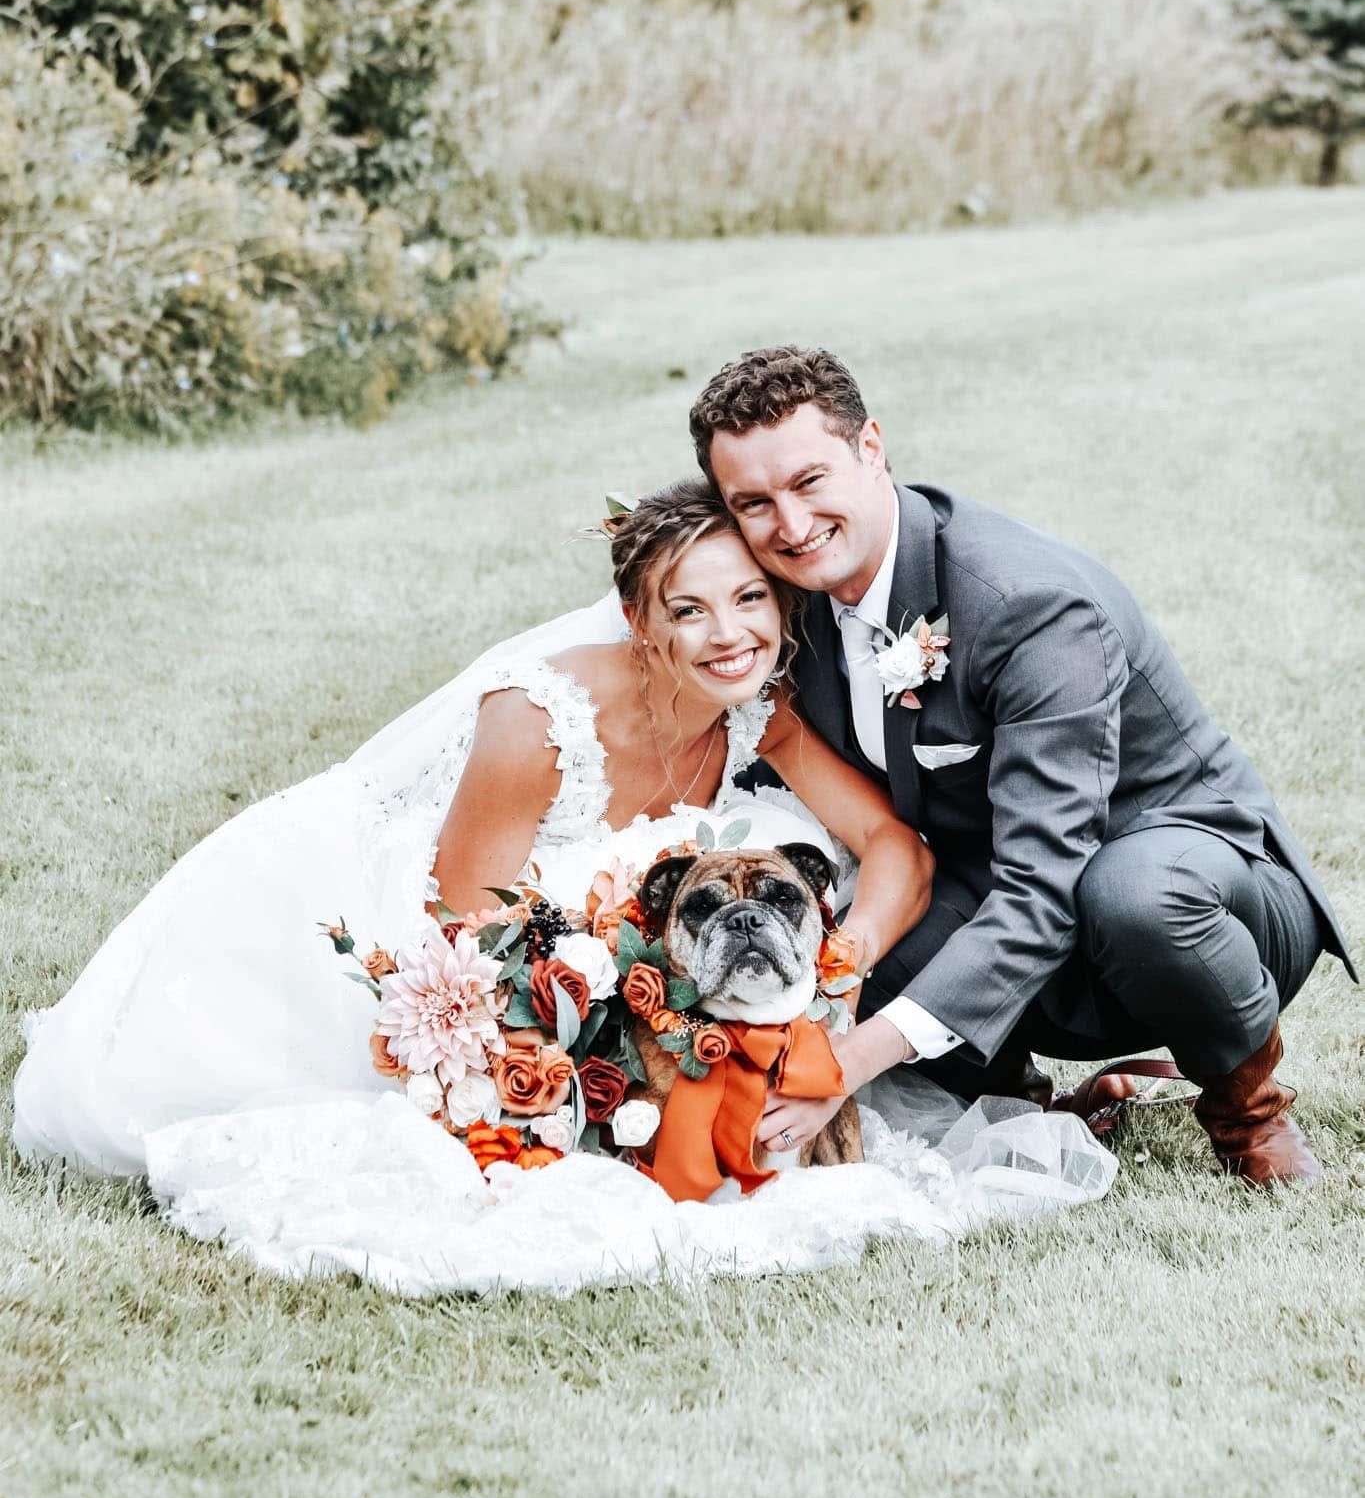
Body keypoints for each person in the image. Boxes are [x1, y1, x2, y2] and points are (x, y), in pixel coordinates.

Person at [12, 481, 1115, 1295]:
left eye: (748, 599)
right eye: (689, 609)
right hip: (431, 913)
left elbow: (896, 848)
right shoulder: (536, 718)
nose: (727, 632)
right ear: (640, 622)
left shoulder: (754, 700)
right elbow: (459, 920)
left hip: (590, 924)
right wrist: (582, 1032)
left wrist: (837, 965)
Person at [691, 345, 1356, 1186]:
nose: (788, 525)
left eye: (808, 482)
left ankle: (1244, 1105)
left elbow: (1046, 883)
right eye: (753, 503)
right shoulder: (775, 595)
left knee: (1134, 894)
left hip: (1194, 895)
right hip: (1013, 907)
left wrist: (850, 1060)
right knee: (859, 924)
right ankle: (1019, 1102)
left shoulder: (1028, 606)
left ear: (870, 450)